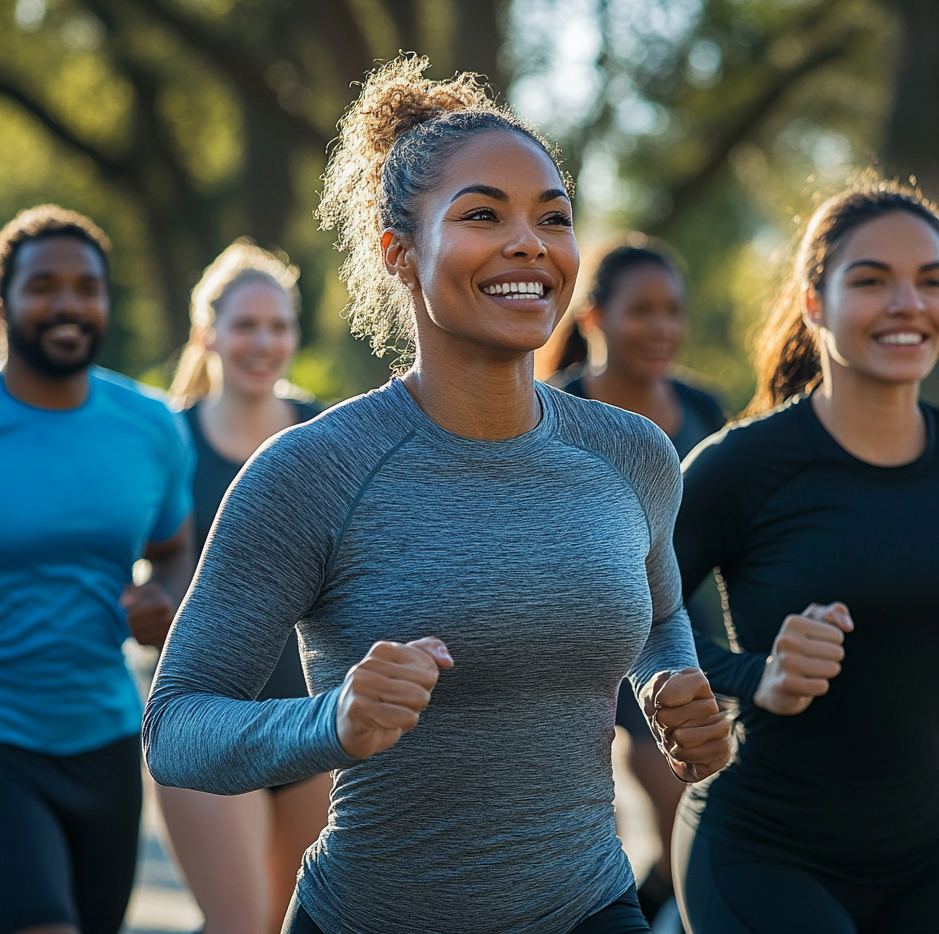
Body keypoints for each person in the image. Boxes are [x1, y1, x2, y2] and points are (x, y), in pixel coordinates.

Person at [144, 54, 731, 934]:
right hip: (371, 916)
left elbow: (656, 614)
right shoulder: (313, 471)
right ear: (399, 254)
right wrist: (331, 723)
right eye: (483, 215)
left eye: (554, 217)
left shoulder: (632, 454)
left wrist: (668, 688)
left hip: (587, 906)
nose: (530, 242)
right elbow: (175, 727)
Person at [0, 205, 194, 934]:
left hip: (105, 739)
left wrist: (164, 599)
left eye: (87, 287)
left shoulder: (151, 427)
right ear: (0, 306)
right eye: (43, 287)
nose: (68, 304)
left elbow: (173, 549)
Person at [672, 183, 939, 934]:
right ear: (815, 302)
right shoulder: (740, 467)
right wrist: (756, 677)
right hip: (762, 853)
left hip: (923, 856)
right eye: (872, 280)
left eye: (931, 281)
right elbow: (626, 613)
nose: (908, 304)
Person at [547, 241, 726, 922]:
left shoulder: (704, 410)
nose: (661, 328)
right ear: (594, 317)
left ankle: (645, 907)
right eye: (641, 310)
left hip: (677, 629)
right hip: (579, 635)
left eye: (673, 311)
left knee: (697, 820)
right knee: (600, 830)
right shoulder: (555, 410)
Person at [158, 239, 329, 934]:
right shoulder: (170, 440)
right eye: (246, 325)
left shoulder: (325, 432)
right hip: (207, 719)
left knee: (291, 923)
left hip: (311, 722)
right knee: (239, 923)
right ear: (209, 334)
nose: (264, 342)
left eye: (279, 326)